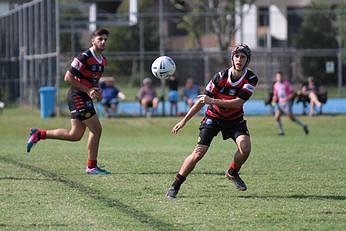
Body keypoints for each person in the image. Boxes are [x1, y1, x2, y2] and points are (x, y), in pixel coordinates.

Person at [165, 44, 258, 199]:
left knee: (245, 148)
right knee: (198, 153)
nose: (239, 60)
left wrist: (212, 100)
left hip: (234, 119)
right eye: (236, 56)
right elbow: (202, 101)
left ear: (247, 60)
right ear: (232, 58)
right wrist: (184, 121)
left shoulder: (251, 78)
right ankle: (175, 186)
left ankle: (232, 172)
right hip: (213, 117)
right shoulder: (220, 77)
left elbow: (238, 102)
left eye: (243, 57)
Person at [26, 28, 111, 175]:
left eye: (105, 40)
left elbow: (94, 81)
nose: (103, 42)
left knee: (75, 135)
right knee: (97, 130)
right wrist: (87, 91)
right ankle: (91, 167)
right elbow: (68, 78)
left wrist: (98, 91)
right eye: (100, 39)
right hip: (77, 96)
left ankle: (39, 134)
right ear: (92, 40)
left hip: (83, 97)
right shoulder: (84, 57)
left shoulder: (102, 60)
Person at [272, 71, 309, 136]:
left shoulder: (286, 84)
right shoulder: (275, 85)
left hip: (287, 103)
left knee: (291, 118)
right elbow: (275, 94)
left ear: (282, 77)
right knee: (277, 117)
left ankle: (304, 126)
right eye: (278, 76)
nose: (279, 78)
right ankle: (281, 131)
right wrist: (274, 99)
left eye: (280, 76)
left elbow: (292, 93)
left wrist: (287, 98)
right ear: (276, 77)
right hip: (280, 104)